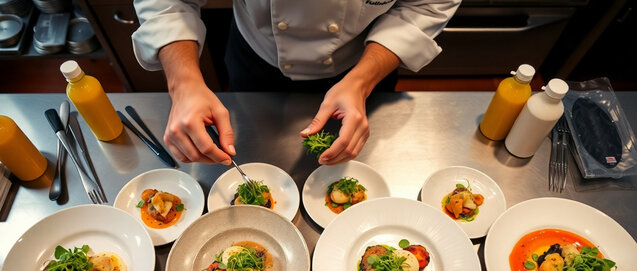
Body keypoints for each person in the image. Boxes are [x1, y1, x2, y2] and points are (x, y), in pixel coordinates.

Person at [132, 0, 460, 165]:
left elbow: (426, 5)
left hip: (366, 61)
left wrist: (360, 82)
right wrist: (183, 84)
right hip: (256, 57)